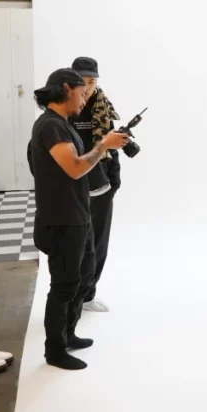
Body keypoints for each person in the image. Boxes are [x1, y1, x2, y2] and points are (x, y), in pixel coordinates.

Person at [30, 68, 129, 371]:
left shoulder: (61, 124)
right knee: (63, 286)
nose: (86, 97)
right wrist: (103, 146)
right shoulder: (51, 126)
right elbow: (74, 168)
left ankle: (68, 334)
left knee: (78, 278)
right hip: (62, 220)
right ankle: (55, 350)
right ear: (65, 89)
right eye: (82, 91)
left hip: (76, 214)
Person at [68, 57, 122, 313]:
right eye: (82, 81)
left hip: (101, 187)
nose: (87, 87)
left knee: (99, 243)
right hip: (73, 187)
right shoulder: (63, 109)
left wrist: (114, 176)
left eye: (92, 81)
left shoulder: (102, 106)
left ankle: (88, 295)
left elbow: (112, 144)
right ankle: (70, 297)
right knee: (76, 246)